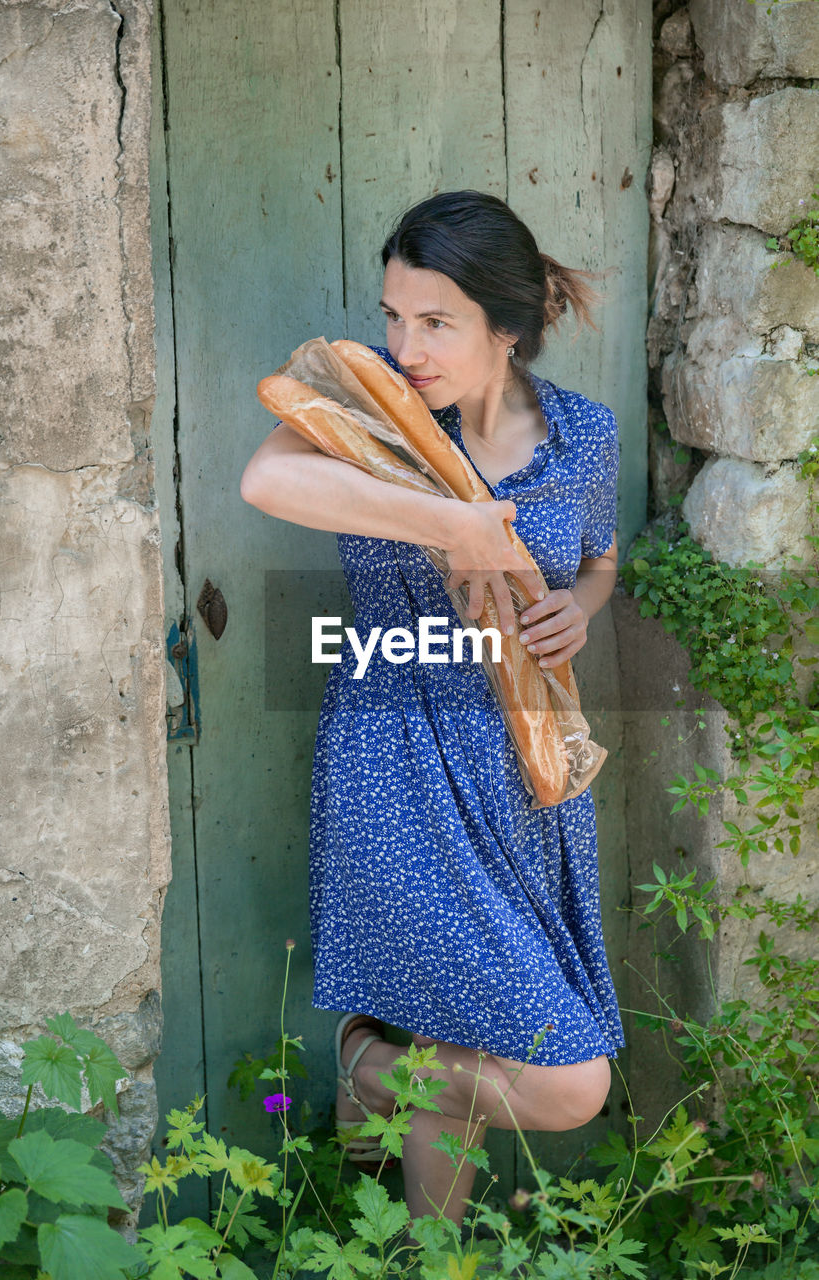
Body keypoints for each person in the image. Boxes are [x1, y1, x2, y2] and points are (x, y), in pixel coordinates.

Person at [240, 190, 624, 1225]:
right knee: (565, 1080)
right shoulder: (368, 412)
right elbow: (267, 481)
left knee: (456, 1037)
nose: (403, 344)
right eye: (393, 314)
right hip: (393, 750)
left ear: (506, 325)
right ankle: (368, 1060)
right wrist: (453, 524)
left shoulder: (585, 435)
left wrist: (575, 613)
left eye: (435, 320)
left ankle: (417, 1220)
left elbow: (598, 558)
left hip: (528, 766)